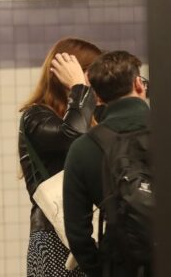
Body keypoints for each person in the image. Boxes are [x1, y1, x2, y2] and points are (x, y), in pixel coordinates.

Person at [18, 38, 101, 276]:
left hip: (87, 234)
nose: (93, 82)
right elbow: (73, 137)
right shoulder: (35, 117)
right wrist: (78, 87)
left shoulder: (91, 115)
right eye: (89, 73)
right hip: (54, 238)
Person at [63, 51, 151, 277]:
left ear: (98, 99)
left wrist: (101, 269)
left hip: (120, 266)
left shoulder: (83, 148)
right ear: (139, 84)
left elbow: (77, 234)